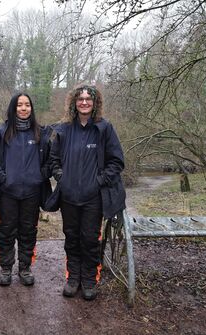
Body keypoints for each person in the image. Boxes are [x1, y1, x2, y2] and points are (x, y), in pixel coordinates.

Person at [50, 84, 125, 300]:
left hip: (93, 198)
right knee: (71, 238)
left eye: (88, 99)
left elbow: (117, 161)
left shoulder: (104, 128)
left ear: (95, 103)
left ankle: (90, 280)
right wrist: (61, 177)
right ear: (74, 102)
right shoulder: (64, 129)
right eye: (80, 98)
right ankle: (73, 278)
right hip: (69, 197)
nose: (84, 102)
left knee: (90, 239)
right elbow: (53, 159)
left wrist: (99, 181)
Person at [0, 93, 51, 286]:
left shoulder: (40, 133)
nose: (23, 108)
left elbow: (51, 161)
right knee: (6, 230)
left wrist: (39, 176)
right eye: (19, 105)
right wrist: (3, 178)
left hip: (32, 193)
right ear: (13, 108)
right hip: (8, 193)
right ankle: (6, 268)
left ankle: (25, 268)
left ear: (31, 108)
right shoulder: (2, 132)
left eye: (27, 105)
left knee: (28, 231)